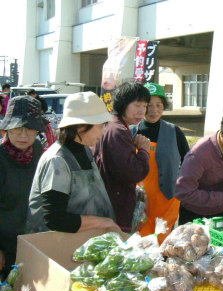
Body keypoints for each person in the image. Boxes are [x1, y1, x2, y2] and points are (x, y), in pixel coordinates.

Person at [26, 92, 119, 234]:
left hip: (81, 244)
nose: (102, 133)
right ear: (81, 126)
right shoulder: (57, 160)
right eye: (100, 126)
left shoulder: (85, 151)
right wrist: (103, 222)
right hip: (54, 247)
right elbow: (55, 219)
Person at [94, 81, 151, 232]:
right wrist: (144, 151)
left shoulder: (112, 125)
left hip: (109, 204)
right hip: (115, 208)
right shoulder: (118, 130)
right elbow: (133, 172)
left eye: (145, 106)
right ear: (123, 104)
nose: (142, 111)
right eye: (137, 105)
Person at [137, 83, 189, 241]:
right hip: (140, 198)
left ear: (164, 107)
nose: (154, 110)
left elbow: (189, 160)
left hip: (167, 197)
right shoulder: (133, 131)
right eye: (149, 105)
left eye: (158, 105)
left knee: (163, 240)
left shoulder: (174, 131)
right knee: (140, 239)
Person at [0, 96, 45, 279]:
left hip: (33, 240)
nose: (23, 135)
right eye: (18, 129)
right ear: (7, 129)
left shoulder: (38, 150)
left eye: (29, 129)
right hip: (5, 243)